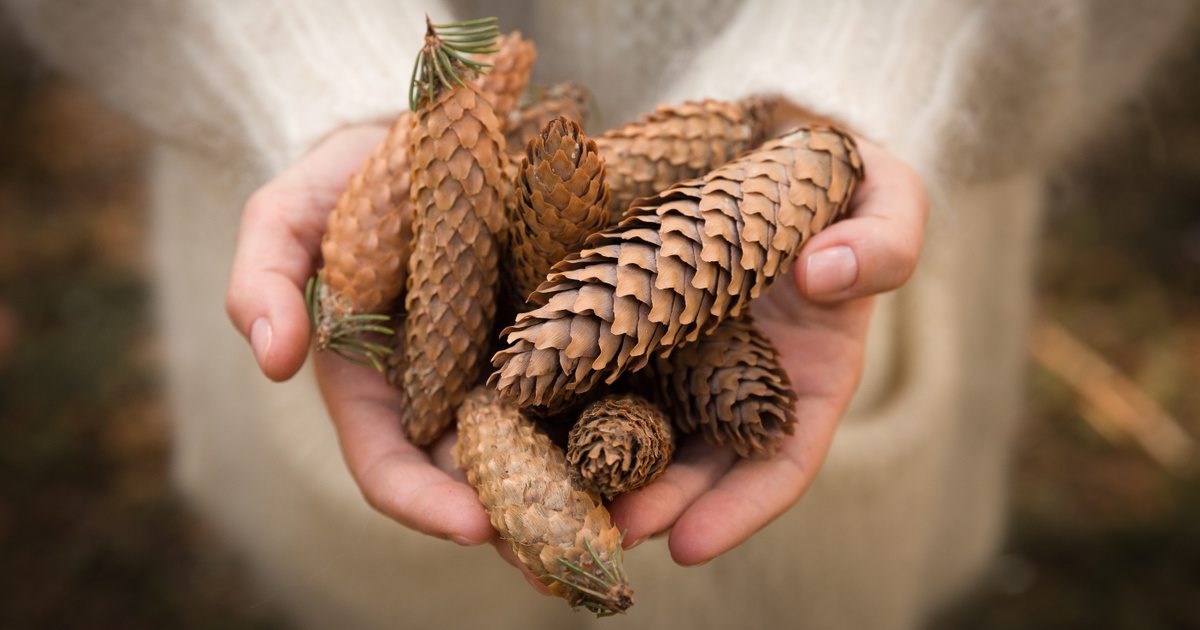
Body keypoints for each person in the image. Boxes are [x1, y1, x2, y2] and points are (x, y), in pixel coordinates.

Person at [6, 1, 1194, 628]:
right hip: (392, 137)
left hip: (805, 185)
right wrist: (324, 78)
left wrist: (864, 61)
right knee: (392, 588)